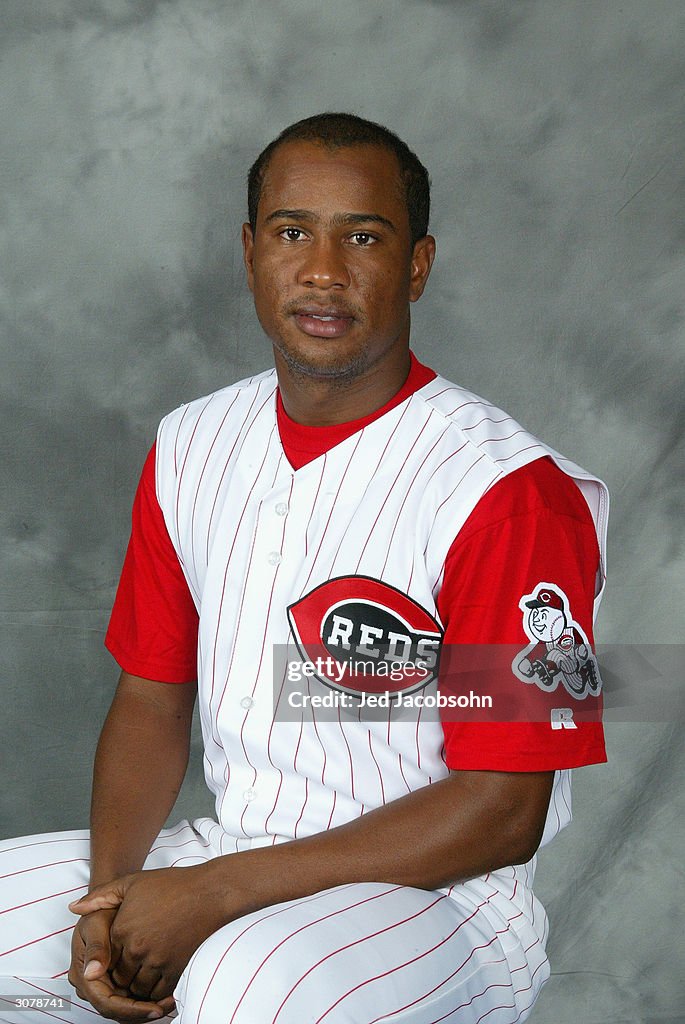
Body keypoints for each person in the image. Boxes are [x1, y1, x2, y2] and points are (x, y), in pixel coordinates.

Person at [0, 113, 608, 1024]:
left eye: (363, 236)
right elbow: (152, 698)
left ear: (416, 264)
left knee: (244, 984)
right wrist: (112, 897)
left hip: (444, 904)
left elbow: (500, 812)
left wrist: (211, 895)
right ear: (250, 252)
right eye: (292, 232)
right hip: (227, 844)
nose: (323, 270)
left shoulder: (508, 491)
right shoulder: (191, 443)